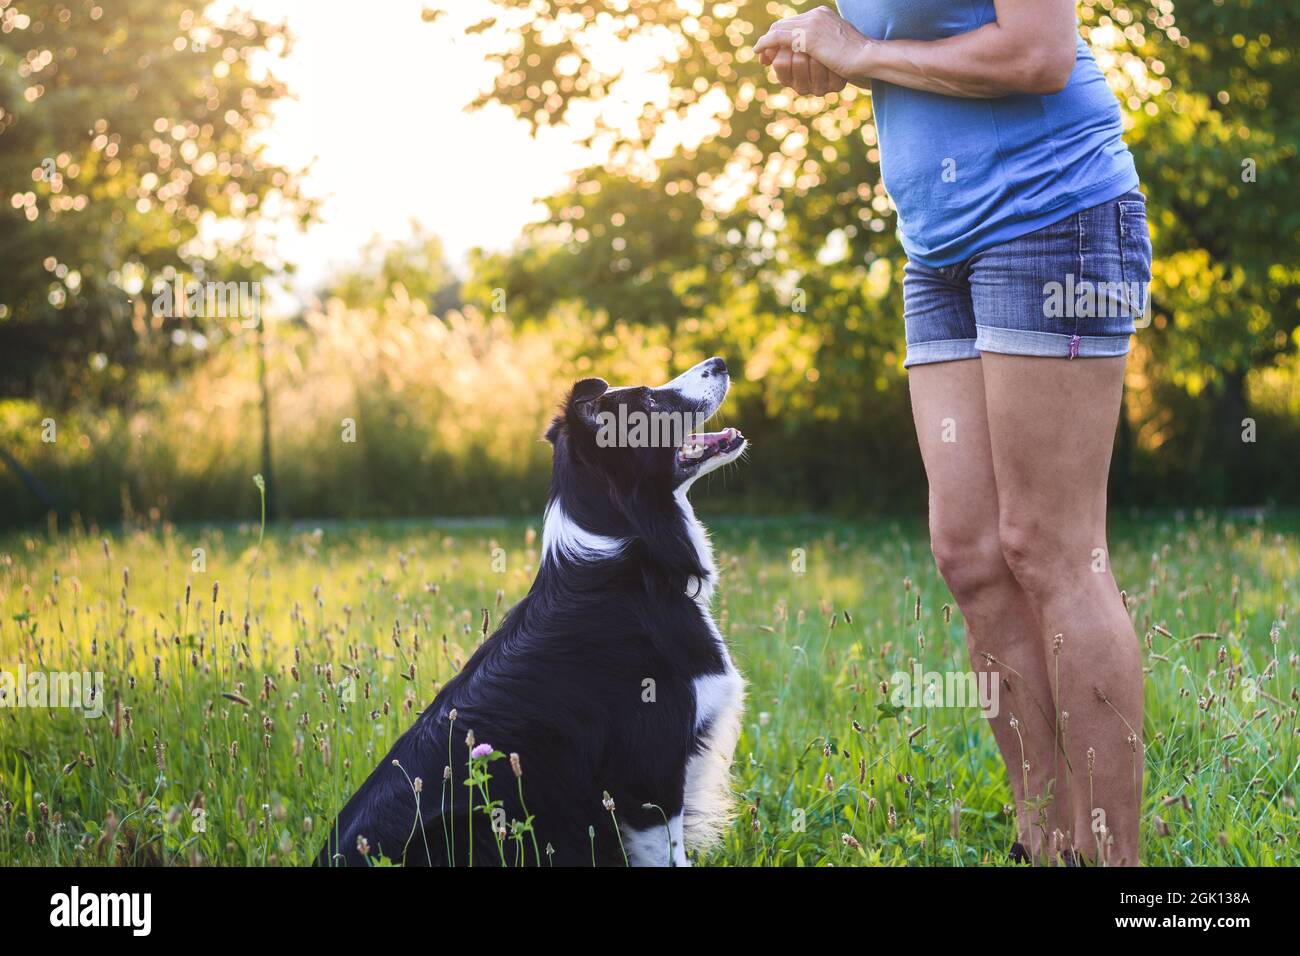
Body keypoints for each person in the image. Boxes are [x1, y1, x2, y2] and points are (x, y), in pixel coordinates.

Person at [755, 1, 1150, 865]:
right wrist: (825, 50)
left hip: (1054, 218)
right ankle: (1044, 845)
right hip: (937, 246)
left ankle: (1116, 871)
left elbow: (1040, 54)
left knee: (1050, 547)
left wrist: (862, 50)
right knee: (971, 553)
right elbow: (892, 39)